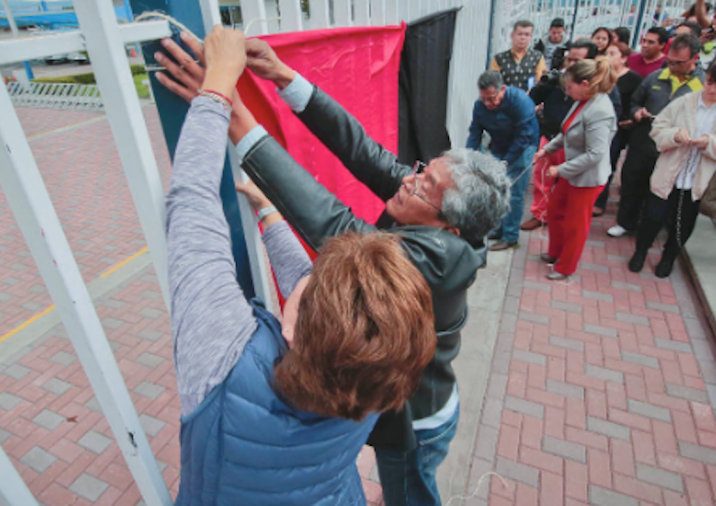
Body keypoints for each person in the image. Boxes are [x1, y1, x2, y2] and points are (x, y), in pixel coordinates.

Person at [157, 35, 512, 506]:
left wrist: (229, 108)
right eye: (423, 169)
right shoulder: (441, 220)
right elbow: (364, 152)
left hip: (417, 422)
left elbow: (335, 226)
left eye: (425, 184)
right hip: (397, 407)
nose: (409, 177)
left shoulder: (433, 261)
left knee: (409, 492)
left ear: (449, 224)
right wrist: (284, 77)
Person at [608, 34, 705, 238]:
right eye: (670, 61)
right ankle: (626, 222)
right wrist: (636, 112)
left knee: (661, 191)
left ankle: (651, 229)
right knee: (632, 181)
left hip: (675, 148)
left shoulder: (703, 86)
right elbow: (635, 102)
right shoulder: (656, 77)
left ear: (694, 59)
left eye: (679, 63)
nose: (672, 66)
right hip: (644, 139)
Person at [628, 60, 716, 278]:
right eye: (711, 82)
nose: (712, 89)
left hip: (696, 179)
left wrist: (709, 143)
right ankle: (640, 252)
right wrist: (675, 136)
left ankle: (669, 257)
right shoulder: (685, 102)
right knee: (652, 216)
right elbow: (658, 127)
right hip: (669, 173)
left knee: (683, 223)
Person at [523, 40, 622, 229]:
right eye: (568, 59)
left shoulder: (598, 97)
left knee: (572, 210)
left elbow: (597, 149)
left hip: (578, 150)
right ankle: (540, 214)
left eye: (576, 60)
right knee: (542, 180)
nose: (569, 64)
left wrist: (561, 169)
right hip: (553, 136)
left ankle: (561, 226)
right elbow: (532, 99)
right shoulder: (561, 80)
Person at [535, 58, 618, 280]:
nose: (568, 92)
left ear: (585, 83)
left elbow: (595, 154)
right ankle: (555, 253)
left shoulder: (600, 110)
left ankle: (565, 267)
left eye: (570, 87)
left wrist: (560, 169)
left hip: (588, 178)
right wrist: (547, 150)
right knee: (555, 210)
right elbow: (567, 132)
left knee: (575, 224)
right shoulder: (583, 100)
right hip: (574, 173)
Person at [467, 70, 539, 250]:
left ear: (503, 90)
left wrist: (506, 161)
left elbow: (524, 135)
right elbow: (475, 131)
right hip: (499, 145)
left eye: (492, 98)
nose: (487, 103)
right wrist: (467, 156)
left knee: (514, 193)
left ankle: (510, 236)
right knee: (498, 190)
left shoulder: (520, 102)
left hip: (523, 147)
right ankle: (498, 229)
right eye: (484, 98)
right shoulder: (480, 106)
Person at [594, 42, 643, 216]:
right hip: (606, 128)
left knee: (608, 163)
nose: (608, 56)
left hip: (618, 129)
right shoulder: (602, 80)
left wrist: (629, 118)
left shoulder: (631, 79)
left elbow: (635, 101)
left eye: (613, 53)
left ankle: (600, 201)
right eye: (607, 52)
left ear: (623, 58)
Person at [491, 19, 547, 90]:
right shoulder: (499, 58)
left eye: (527, 35)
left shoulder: (537, 57)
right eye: (520, 34)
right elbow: (493, 83)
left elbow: (540, 81)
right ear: (512, 36)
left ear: (531, 37)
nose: (523, 38)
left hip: (529, 99)